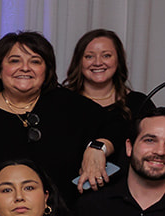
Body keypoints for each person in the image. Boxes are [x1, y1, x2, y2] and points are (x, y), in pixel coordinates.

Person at [0, 31, 121, 216]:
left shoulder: (69, 105)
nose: (25, 68)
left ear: (46, 70)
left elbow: (117, 126)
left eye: (35, 61)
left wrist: (98, 148)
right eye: (15, 61)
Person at [64, 29, 153, 167]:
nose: (98, 62)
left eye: (106, 55)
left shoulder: (138, 103)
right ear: (79, 62)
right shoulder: (62, 101)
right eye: (89, 56)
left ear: (118, 60)